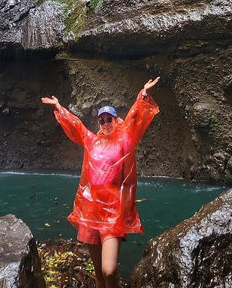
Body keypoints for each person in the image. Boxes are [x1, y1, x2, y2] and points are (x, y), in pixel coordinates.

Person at [41, 77, 160, 288]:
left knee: (110, 270)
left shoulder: (125, 141)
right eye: (102, 120)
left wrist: (143, 95)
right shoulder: (92, 142)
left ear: (116, 120)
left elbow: (135, 119)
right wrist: (59, 107)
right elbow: (76, 126)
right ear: (98, 123)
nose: (105, 123)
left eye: (109, 119)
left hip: (113, 214)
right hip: (90, 212)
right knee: (98, 273)